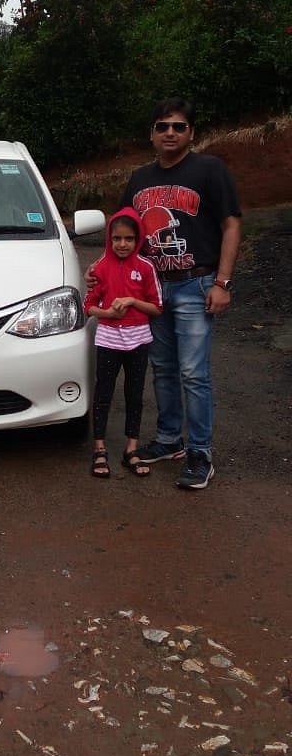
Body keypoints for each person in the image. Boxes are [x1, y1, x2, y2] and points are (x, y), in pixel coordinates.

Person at [118, 99, 242, 489]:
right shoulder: (138, 178)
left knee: (193, 373)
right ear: (151, 134)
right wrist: (106, 275)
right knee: (164, 369)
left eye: (178, 126)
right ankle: (170, 439)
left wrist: (222, 283)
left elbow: (231, 225)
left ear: (192, 133)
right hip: (153, 290)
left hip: (195, 283)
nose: (169, 132)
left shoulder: (209, 169)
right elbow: (122, 232)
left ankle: (200, 453)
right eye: (162, 126)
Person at [84, 210, 162, 479]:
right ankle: (99, 448)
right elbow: (89, 305)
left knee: (134, 395)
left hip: (138, 339)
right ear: (109, 238)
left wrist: (131, 302)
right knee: (103, 393)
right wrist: (107, 314)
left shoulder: (145, 267)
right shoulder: (99, 268)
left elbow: (157, 307)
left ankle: (132, 448)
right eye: (116, 238)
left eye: (129, 238)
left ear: (137, 239)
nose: (122, 244)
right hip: (108, 339)